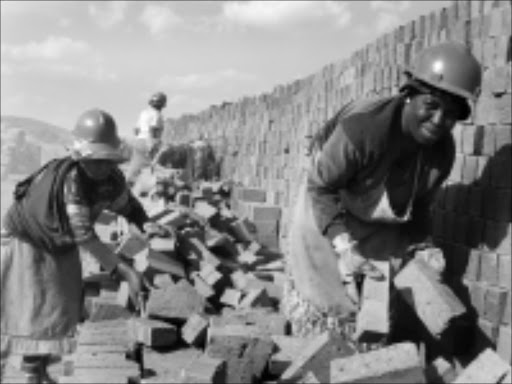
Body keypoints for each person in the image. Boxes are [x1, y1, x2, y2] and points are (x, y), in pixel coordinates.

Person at [284, 41, 482, 339]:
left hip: (372, 214)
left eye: (451, 114)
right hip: (327, 198)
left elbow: (420, 208)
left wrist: (424, 246)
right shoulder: (364, 129)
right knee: (325, 306)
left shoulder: (441, 153)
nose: (439, 120)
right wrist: (343, 247)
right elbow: (321, 188)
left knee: (372, 305)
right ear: (410, 95)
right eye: (431, 105)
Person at [0, 109, 170, 382]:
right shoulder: (72, 180)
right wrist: (123, 270)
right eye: (95, 160)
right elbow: (83, 234)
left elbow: (128, 205)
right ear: (80, 155)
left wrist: (145, 222)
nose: (101, 167)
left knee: (61, 306)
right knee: (35, 309)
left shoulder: (111, 179)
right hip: (29, 240)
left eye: (107, 160)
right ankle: (31, 372)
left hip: (61, 240)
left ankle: (39, 369)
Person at [126, 91, 167, 188]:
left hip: (139, 141)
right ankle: (148, 189)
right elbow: (153, 129)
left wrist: (139, 139)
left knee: (135, 166)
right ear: (162, 104)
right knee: (150, 167)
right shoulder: (157, 115)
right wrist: (154, 143)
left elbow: (136, 129)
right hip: (149, 142)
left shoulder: (143, 113)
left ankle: (128, 185)